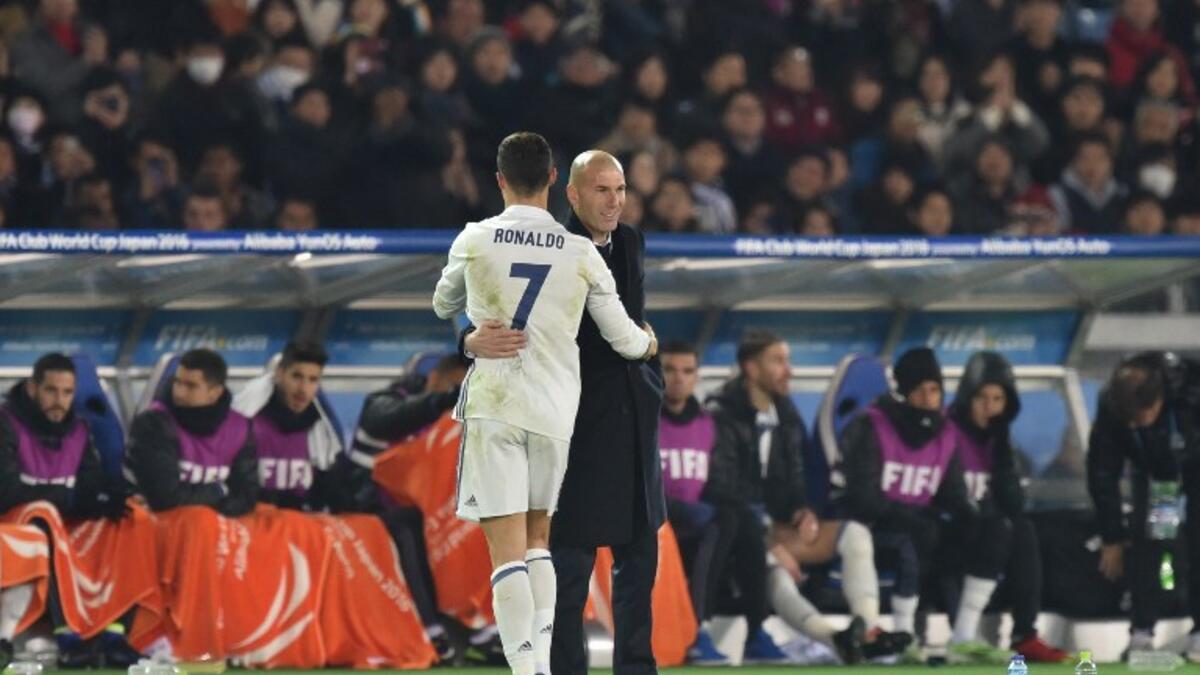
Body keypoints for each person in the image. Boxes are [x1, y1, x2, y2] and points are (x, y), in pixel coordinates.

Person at [432, 133, 655, 675]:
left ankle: (529, 671)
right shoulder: (579, 252)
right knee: (539, 545)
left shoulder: (475, 238)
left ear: (500, 179)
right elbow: (627, 340)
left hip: (497, 403)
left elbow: (444, 304)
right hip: (557, 415)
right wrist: (650, 342)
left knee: (507, 553)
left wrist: (468, 338)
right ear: (557, 181)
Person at [231, 341, 436, 668]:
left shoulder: (316, 426)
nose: (304, 388)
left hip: (301, 521)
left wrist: (357, 510)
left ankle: (380, 636)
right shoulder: (248, 423)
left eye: (313, 380)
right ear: (280, 375)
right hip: (253, 520)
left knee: (370, 529)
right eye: (297, 377)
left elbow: (332, 484)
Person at [707, 330, 908, 664]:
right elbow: (721, 490)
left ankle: (868, 630)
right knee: (771, 567)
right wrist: (767, 539)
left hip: (782, 529)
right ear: (751, 369)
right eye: (778, 361)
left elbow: (800, 474)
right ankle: (834, 639)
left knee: (854, 533)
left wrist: (804, 510)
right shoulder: (720, 413)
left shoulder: (785, 413)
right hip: (740, 537)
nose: (789, 370)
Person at [840, 347, 1009, 664]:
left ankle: (963, 636)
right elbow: (862, 498)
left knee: (993, 530)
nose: (929, 399)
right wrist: (911, 515)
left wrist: (974, 519)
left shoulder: (945, 433)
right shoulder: (871, 426)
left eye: (935, 390)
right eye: (919, 391)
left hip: (922, 524)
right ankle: (903, 637)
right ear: (903, 394)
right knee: (919, 532)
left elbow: (953, 494)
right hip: (873, 527)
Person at [0, 353, 149, 668]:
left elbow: (90, 484)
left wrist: (111, 493)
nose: (59, 400)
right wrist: (75, 499)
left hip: (61, 524)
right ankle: (66, 634)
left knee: (129, 516)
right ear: (32, 388)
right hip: (16, 525)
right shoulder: (6, 423)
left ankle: (114, 632)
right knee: (44, 513)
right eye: (51, 391)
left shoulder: (79, 430)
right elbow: (7, 491)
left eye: (67, 393)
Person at [947, 351, 1070, 662]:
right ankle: (962, 636)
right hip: (949, 530)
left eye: (998, 399)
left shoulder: (1000, 441)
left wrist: (1001, 449)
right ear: (966, 397)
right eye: (982, 398)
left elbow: (1014, 504)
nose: (990, 408)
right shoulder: (946, 433)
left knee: (1023, 529)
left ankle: (1025, 635)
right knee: (1000, 528)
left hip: (987, 535)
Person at [1086, 352, 1200, 659]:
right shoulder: (1113, 408)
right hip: (1161, 477)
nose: (1139, 424)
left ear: (1161, 397)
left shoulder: (1192, 390)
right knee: (1152, 543)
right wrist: (1111, 536)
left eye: (1144, 414)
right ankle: (1142, 632)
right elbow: (1102, 472)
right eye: (1132, 420)